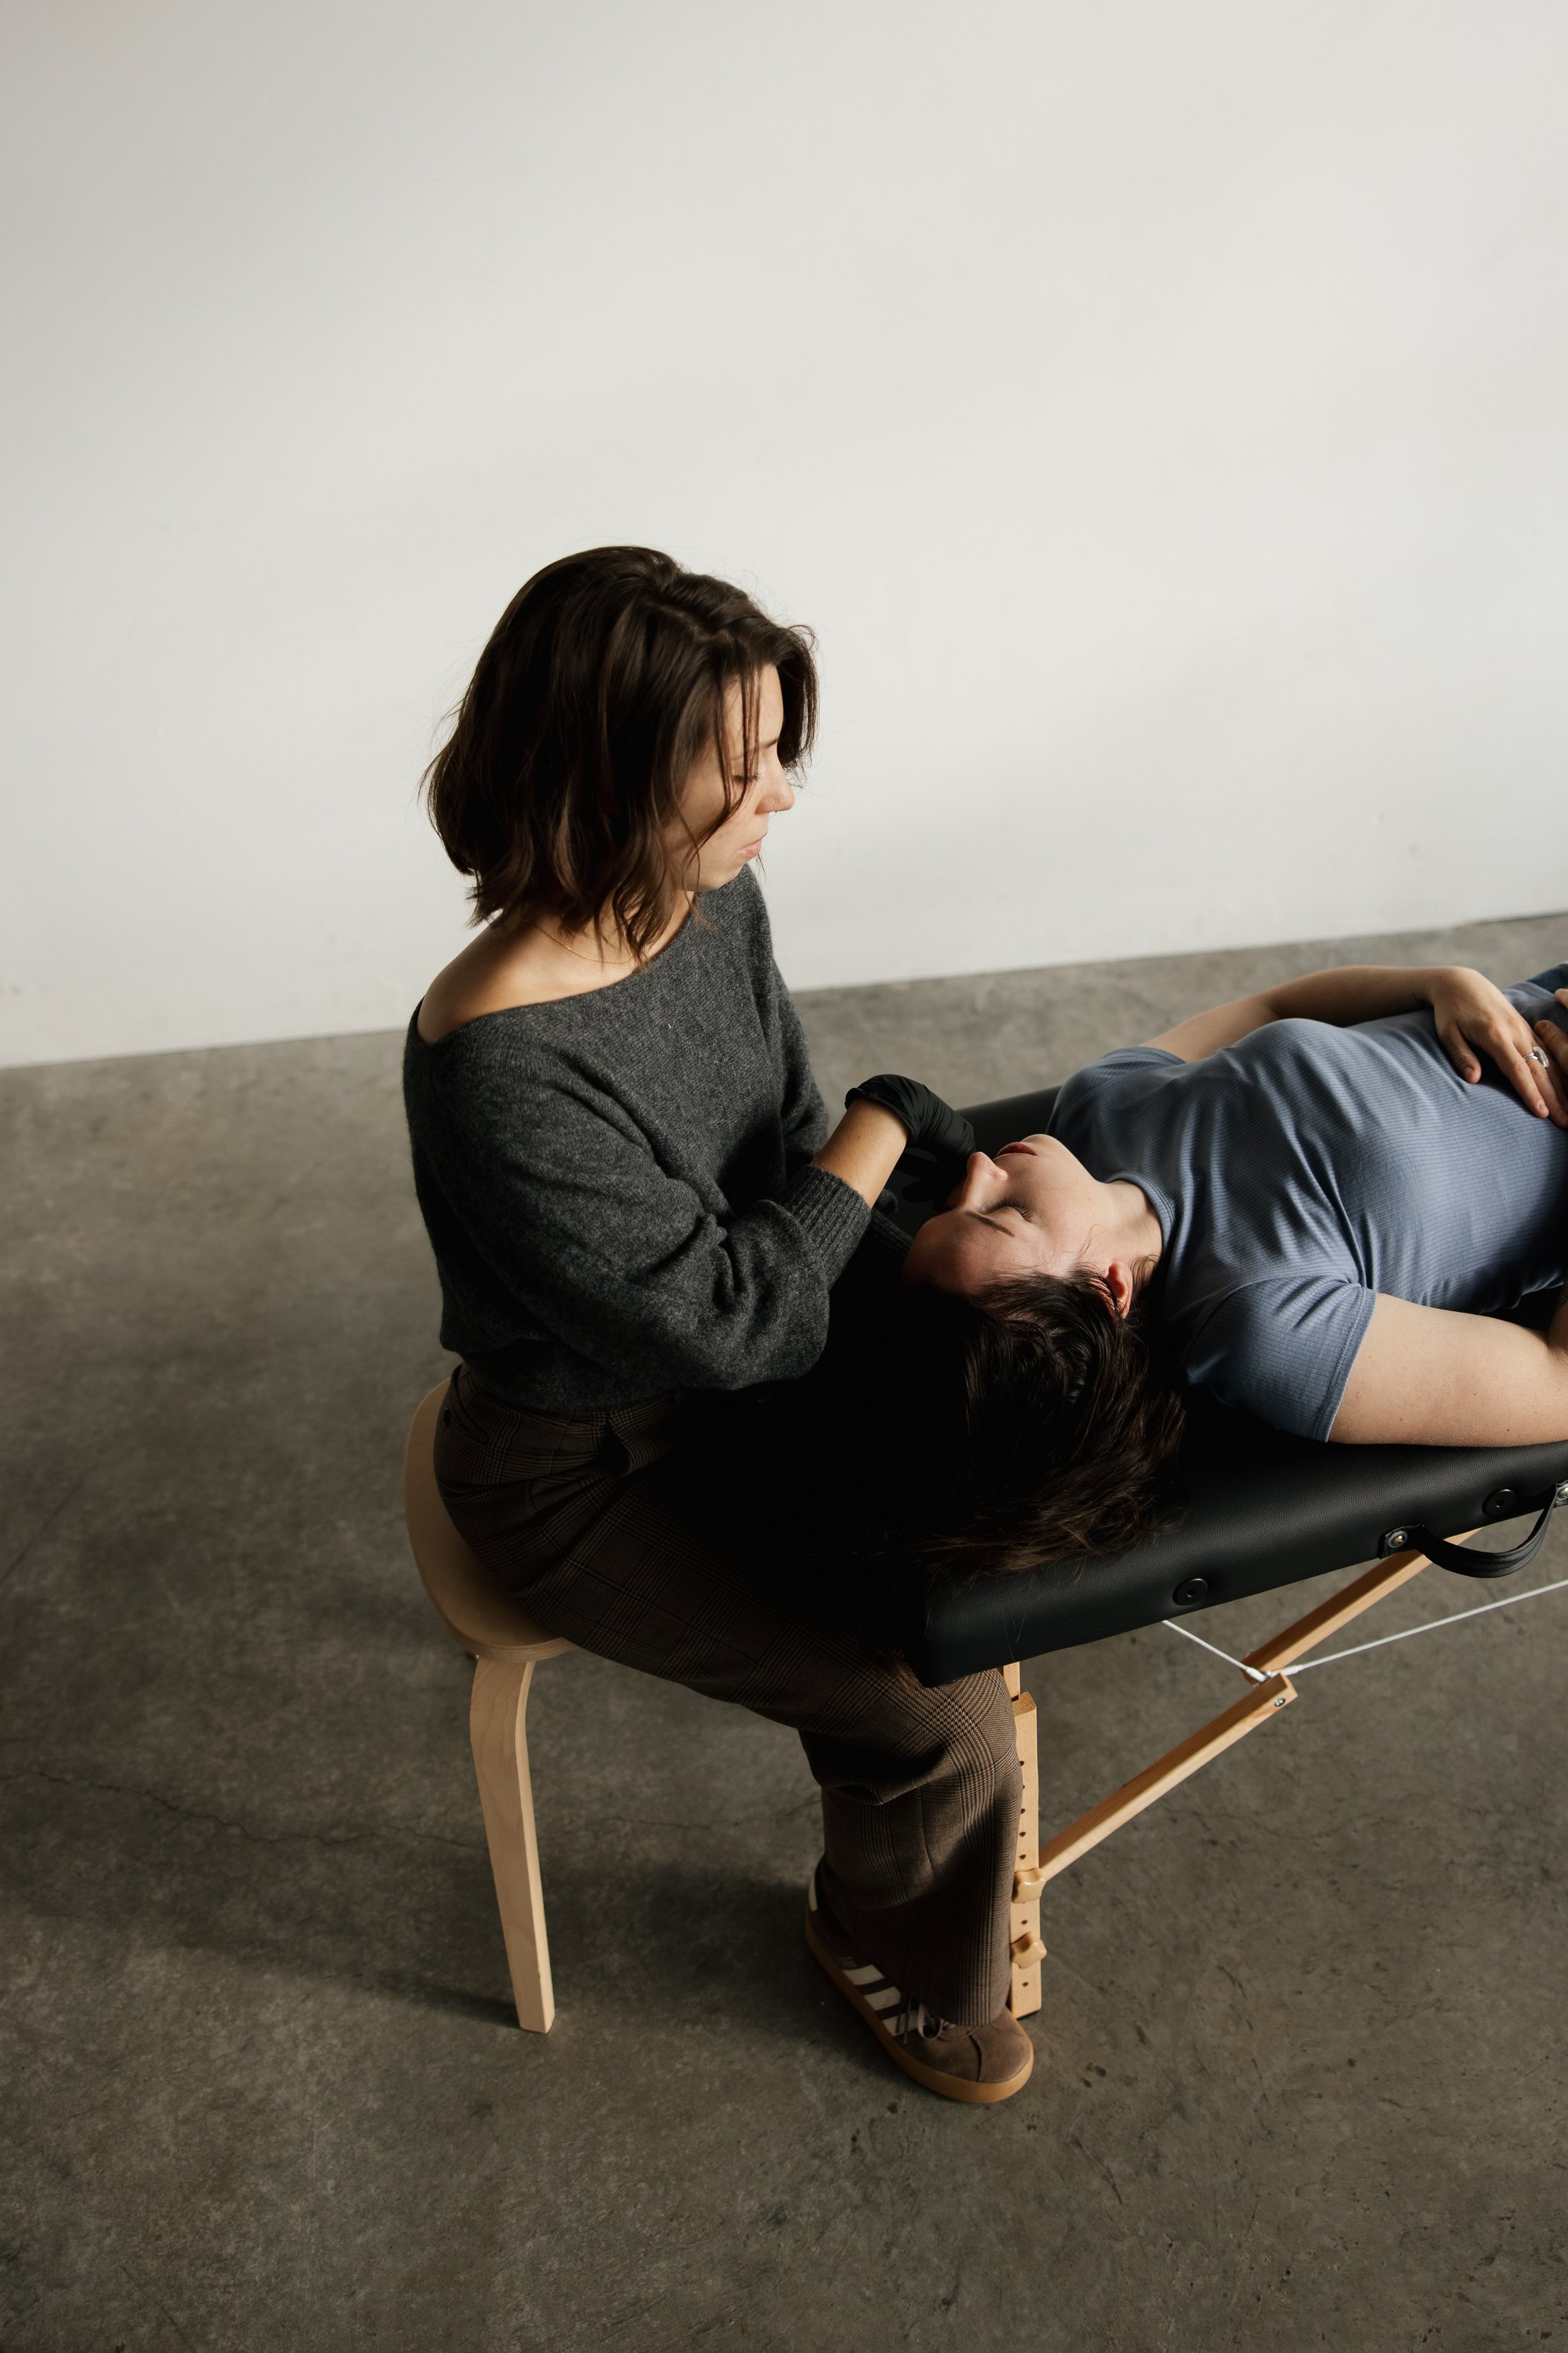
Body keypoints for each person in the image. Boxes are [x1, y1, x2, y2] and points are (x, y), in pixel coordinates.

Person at [402, 544, 1034, 2105]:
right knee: (939, 1710)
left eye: (778, 757)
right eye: (742, 768)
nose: (780, 800)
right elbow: (743, 1313)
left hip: (743, 1360)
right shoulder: (496, 1063)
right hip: (581, 1466)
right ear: (610, 775)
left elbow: (784, 1145)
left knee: (1005, 1521)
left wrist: (920, 1218)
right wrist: (889, 1123)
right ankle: (877, 1939)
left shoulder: (702, 898)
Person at [900, 903, 1568, 1474]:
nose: (980, 1167)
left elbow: (1276, 1005)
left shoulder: (1100, 1109)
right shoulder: (1260, 1327)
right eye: (1005, 1215)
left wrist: (1433, 981)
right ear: (1109, 1287)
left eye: (959, 1200)